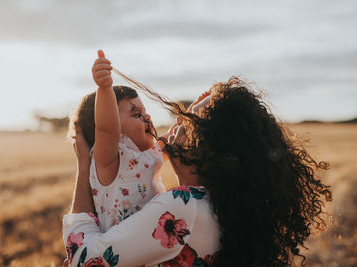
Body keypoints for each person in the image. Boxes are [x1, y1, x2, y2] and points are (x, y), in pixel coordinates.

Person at [63, 65, 332, 266]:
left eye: (192, 124)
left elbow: (82, 261)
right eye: (184, 118)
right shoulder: (221, 204)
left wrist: (84, 165)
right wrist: (207, 106)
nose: (179, 123)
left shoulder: (183, 206)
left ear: (210, 149)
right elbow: (113, 130)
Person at [68, 50, 170, 236]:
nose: (147, 117)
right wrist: (104, 88)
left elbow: (177, 135)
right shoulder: (110, 161)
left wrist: (200, 107)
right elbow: (107, 129)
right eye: (136, 113)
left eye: (145, 111)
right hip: (123, 250)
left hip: (153, 243)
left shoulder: (148, 153)